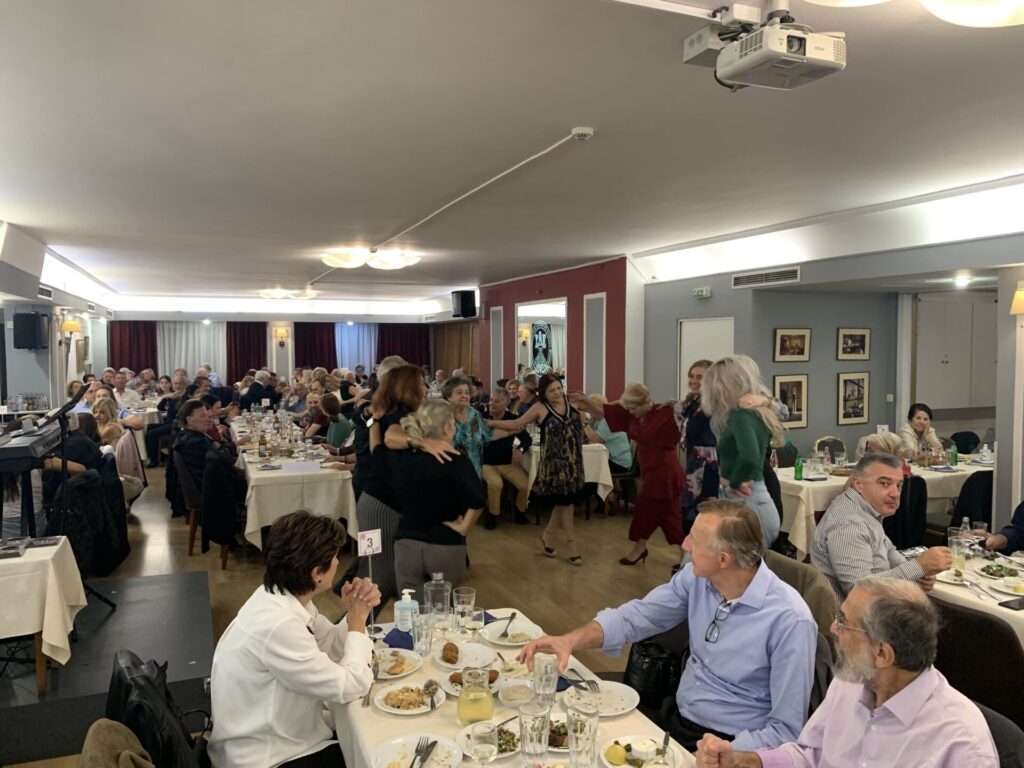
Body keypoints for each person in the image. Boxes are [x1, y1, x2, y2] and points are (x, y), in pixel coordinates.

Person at [520, 500, 816, 752]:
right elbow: (638, 616)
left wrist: (723, 755)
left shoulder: (789, 620)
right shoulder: (697, 579)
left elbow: (785, 730)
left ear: (723, 559)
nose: (684, 544)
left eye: (694, 540)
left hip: (732, 744)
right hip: (675, 721)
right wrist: (569, 641)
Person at [695, 577, 998, 768]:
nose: (832, 628)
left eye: (843, 622)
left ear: (882, 654)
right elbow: (811, 756)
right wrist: (746, 760)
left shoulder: (962, 746)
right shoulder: (851, 682)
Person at [208, 511, 380, 768]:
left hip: (275, 735)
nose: (338, 563)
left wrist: (352, 612)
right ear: (317, 573)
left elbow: (329, 643)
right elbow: (351, 685)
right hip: (266, 756)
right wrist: (357, 621)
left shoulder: (280, 595)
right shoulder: (279, 624)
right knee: (375, 750)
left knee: (358, 734)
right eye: (334, 557)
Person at [573, 384, 686, 569]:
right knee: (651, 513)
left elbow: (691, 413)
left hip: (665, 473)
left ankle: (685, 557)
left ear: (646, 403)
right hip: (650, 472)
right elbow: (605, 411)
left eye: (634, 408)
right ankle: (645, 550)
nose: (631, 412)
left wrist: (679, 405)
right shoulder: (634, 415)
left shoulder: (664, 414)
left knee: (666, 515)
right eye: (629, 408)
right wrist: (585, 400)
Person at [810, 453, 952, 600]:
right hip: (858, 613)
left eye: (899, 485)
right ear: (858, 484)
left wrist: (917, 574)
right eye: (884, 483)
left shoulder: (864, 509)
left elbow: (888, 550)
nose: (895, 493)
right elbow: (858, 592)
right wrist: (918, 567)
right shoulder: (849, 523)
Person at [391, 400, 487, 596]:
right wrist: (464, 527)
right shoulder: (455, 460)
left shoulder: (403, 457)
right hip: (444, 543)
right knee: (444, 607)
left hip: (406, 542)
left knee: (410, 606)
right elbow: (478, 500)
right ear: (447, 427)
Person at [494, 373, 587, 565]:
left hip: (574, 462)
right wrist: (492, 423)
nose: (557, 393)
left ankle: (546, 536)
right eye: (552, 390)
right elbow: (517, 424)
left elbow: (592, 416)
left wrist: (586, 406)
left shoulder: (572, 402)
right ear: (543, 393)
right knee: (566, 504)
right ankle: (573, 546)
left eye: (559, 388)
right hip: (554, 464)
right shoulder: (540, 408)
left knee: (563, 503)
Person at [700, 356, 784, 551]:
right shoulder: (747, 414)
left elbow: (750, 457)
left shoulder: (741, 416)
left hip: (748, 500)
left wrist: (734, 482)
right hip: (748, 499)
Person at [481, 388, 532, 527]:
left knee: (525, 484)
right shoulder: (482, 417)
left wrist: (520, 449)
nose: (491, 404)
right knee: (496, 484)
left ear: (506, 403)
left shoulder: (512, 419)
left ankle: (519, 511)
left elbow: (527, 439)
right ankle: (493, 515)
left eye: (496, 401)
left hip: (507, 463)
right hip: (486, 464)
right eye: (491, 400)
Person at [680, 359, 719, 536]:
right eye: (692, 376)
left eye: (700, 377)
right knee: (688, 522)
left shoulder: (716, 405)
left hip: (709, 470)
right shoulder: (693, 403)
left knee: (704, 521)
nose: (694, 381)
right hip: (692, 466)